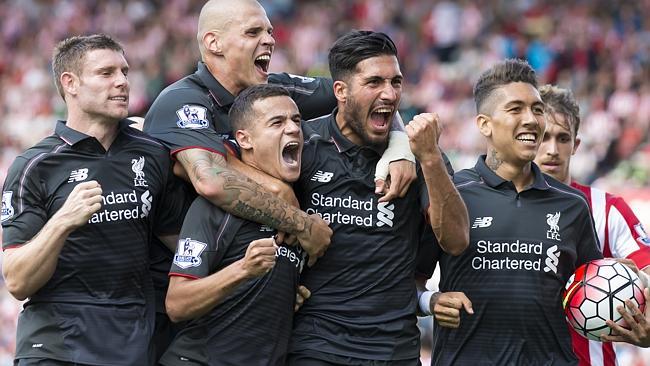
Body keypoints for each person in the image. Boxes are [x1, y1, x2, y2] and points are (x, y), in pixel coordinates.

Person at [143, 0, 415, 358]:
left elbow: (360, 93)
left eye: (270, 31)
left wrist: (401, 146)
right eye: (253, 32)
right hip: (188, 297)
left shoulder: (277, 93)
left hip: (263, 295)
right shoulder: (182, 101)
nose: (269, 40)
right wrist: (301, 223)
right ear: (214, 43)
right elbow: (212, 181)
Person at [1, 34, 188, 365]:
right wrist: (63, 221)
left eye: (125, 72)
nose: (122, 82)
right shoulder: (35, 166)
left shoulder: (153, 153)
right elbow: (17, 281)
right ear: (70, 83)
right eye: (106, 73)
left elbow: (181, 244)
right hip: (55, 345)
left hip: (132, 342)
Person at [288, 30, 469, 366]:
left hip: (394, 351)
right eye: (374, 82)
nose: (389, 93)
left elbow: (456, 240)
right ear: (340, 91)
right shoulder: (304, 146)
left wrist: (428, 157)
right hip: (315, 347)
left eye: (396, 82)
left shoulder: (423, 156)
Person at [423, 59, 603, 365]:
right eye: (516, 108)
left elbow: (594, 293)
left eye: (537, 109)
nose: (532, 120)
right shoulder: (453, 194)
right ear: (484, 124)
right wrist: (430, 301)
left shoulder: (573, 205)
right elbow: (410, 280)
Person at [160, 84, 309, 366]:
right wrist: (244, 269)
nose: (292, 129)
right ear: (245, 139)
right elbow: (177, 304)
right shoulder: (215, 209)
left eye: (296, 121)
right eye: (277, 122)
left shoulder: (296, 211)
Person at [534, 84, 650, 362]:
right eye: (543, 137)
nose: (552, 149)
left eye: (563, 138)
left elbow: (646, 267)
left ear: (575, 145)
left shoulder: (607, 208)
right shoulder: (498, 206)